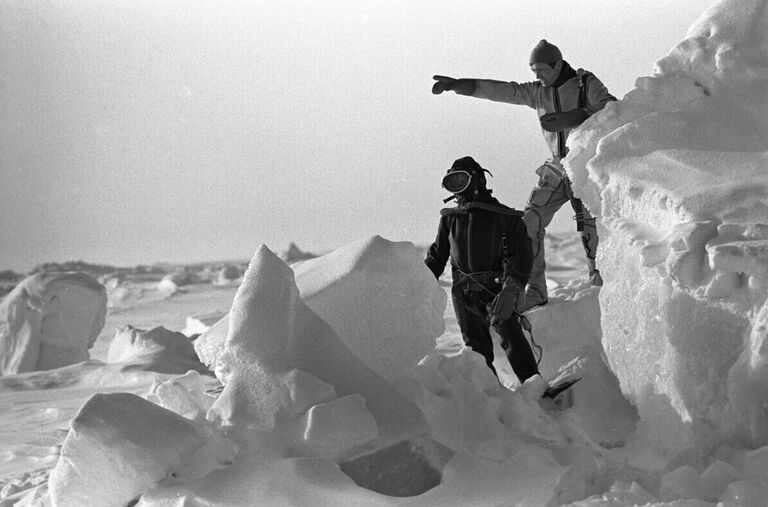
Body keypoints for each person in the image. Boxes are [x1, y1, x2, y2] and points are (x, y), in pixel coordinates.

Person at [432, 40, 616, 311]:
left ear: (557, 65)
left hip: (586, 165)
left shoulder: (584, 83)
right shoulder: (538, 92)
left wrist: (574, 117)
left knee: (590, 226)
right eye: (533, 71)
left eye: (540, 69)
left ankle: (600, 281)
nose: (537, 76)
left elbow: (611, 109)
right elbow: (505, 91)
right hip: (556, 168)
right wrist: (460, 85)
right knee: (528, 223)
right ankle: (535, 290)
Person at [425, 156, 539, 384]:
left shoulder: (506, 218)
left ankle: (535, 386)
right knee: (476, 349)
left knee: (512, 337)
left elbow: (523, 254)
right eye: (452, 182)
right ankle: (490, 397)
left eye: (461, 181)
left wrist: (512, 288)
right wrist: (417, 287)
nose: (457, 188)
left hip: (497, 290)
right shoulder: (450, 220)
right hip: (463, 293)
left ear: (477, 181)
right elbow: (437, 257)